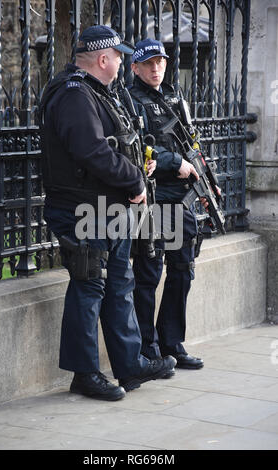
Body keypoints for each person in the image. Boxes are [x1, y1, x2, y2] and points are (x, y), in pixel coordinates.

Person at [39, 26, 176, 401]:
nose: (121, 61)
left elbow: (113, 144)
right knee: (89, 286)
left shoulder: (96, 92)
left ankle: (130, 364)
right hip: (82, 209)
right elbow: (91, 152)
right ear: (103, 59)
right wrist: (134, 181)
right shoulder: (74, 95)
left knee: (119, 284)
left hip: (105, 208)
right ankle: (84, 374)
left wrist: (138, 167)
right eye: (118, 56)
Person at [130, 38, 205, 372]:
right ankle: (148, 349)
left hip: (180, 200)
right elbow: (137, 151)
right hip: (153, 198)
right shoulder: (131, 100)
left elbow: (191, 137)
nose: (155, 68)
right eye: (148, 64)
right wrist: (175, 162)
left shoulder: (175, 96)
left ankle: (172, 342)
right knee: (148, 274)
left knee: (182, 270)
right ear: (135, 67)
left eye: (160, 62)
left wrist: (200, 169)